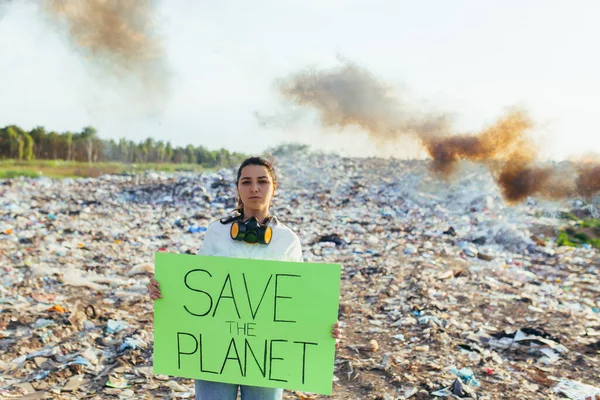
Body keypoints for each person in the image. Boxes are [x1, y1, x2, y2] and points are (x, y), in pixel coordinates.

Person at [148, 156, 343, 400]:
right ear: (238, 188)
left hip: (267, 354)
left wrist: (323, 327)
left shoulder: (287, 240)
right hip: (215, 348)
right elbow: (196, 287)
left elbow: (297, 301)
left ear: (274, 187)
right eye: (246, 182)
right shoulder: (216, 232)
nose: (254, 188)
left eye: (262, 181)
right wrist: (164, 290)